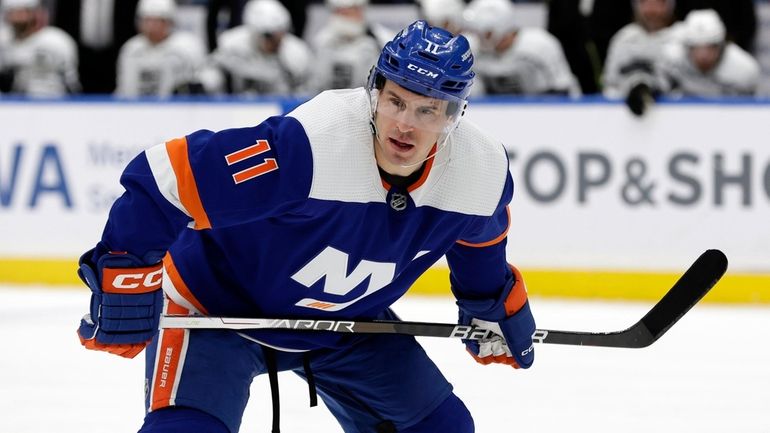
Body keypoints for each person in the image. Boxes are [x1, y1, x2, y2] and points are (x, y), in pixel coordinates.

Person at [74, 20, 537, 433]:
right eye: (396, 100)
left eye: (427, 111)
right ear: (375, 92)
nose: (404, 125)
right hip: (213, 307)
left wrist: (488, 302)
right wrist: (125, 269)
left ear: (455, 115)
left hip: (347, 326)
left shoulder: (479, 172)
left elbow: (482, 241)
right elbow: (165, 180)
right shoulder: (311, 145)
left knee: (445, 427)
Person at [462, 0, 581, 97]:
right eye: (476, 32)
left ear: (502, 28)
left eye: (486, 33)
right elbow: (469, 95)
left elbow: (562, 91)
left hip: (541, 112)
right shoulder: (470, 49)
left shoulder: (540, 45)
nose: (479, 38)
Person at [206, 0, 313, 96]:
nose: (276, 41)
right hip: (240, 105)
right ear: (254, 32)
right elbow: (211, 73)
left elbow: (306, 91)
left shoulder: (297, 53)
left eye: (281, 32)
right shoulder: (231, 45)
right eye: (269, 35)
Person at [602, 0, 683, 116]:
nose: (652, 10)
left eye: (658, 3)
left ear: (669, 6)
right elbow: (609, 84)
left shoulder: (684, 38)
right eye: (646, 3)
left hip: (676, 116)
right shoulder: (623, 39)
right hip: (627, 119)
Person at [115, 0, 208, 98]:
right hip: (134, 109)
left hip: (175, 109)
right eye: (147, 20)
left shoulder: (187, 47)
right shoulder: (130, 49)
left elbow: (204, 80)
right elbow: (122, 88)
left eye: (157, 21)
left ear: (169, 22)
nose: (151, 26)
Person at [659, 9, 760, 97]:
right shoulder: (670, 61)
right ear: (687, 47)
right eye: (696, 48)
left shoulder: (744, 69)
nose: (703, 55)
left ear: (721, 45)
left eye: (711, 47)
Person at [0, 0, 80, 97]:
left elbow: (71, 81)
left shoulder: (56, 40)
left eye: (23, 12)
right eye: (13, 12)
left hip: (55, 101)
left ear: (34, 13)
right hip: (18, 103)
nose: (18, 17)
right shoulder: (4, 43)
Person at [309, 0, 393, 92]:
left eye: (353, 10)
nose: (348, 15)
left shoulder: (381, 38)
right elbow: (314, 81)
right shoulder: (322, 41)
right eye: (341, 11)